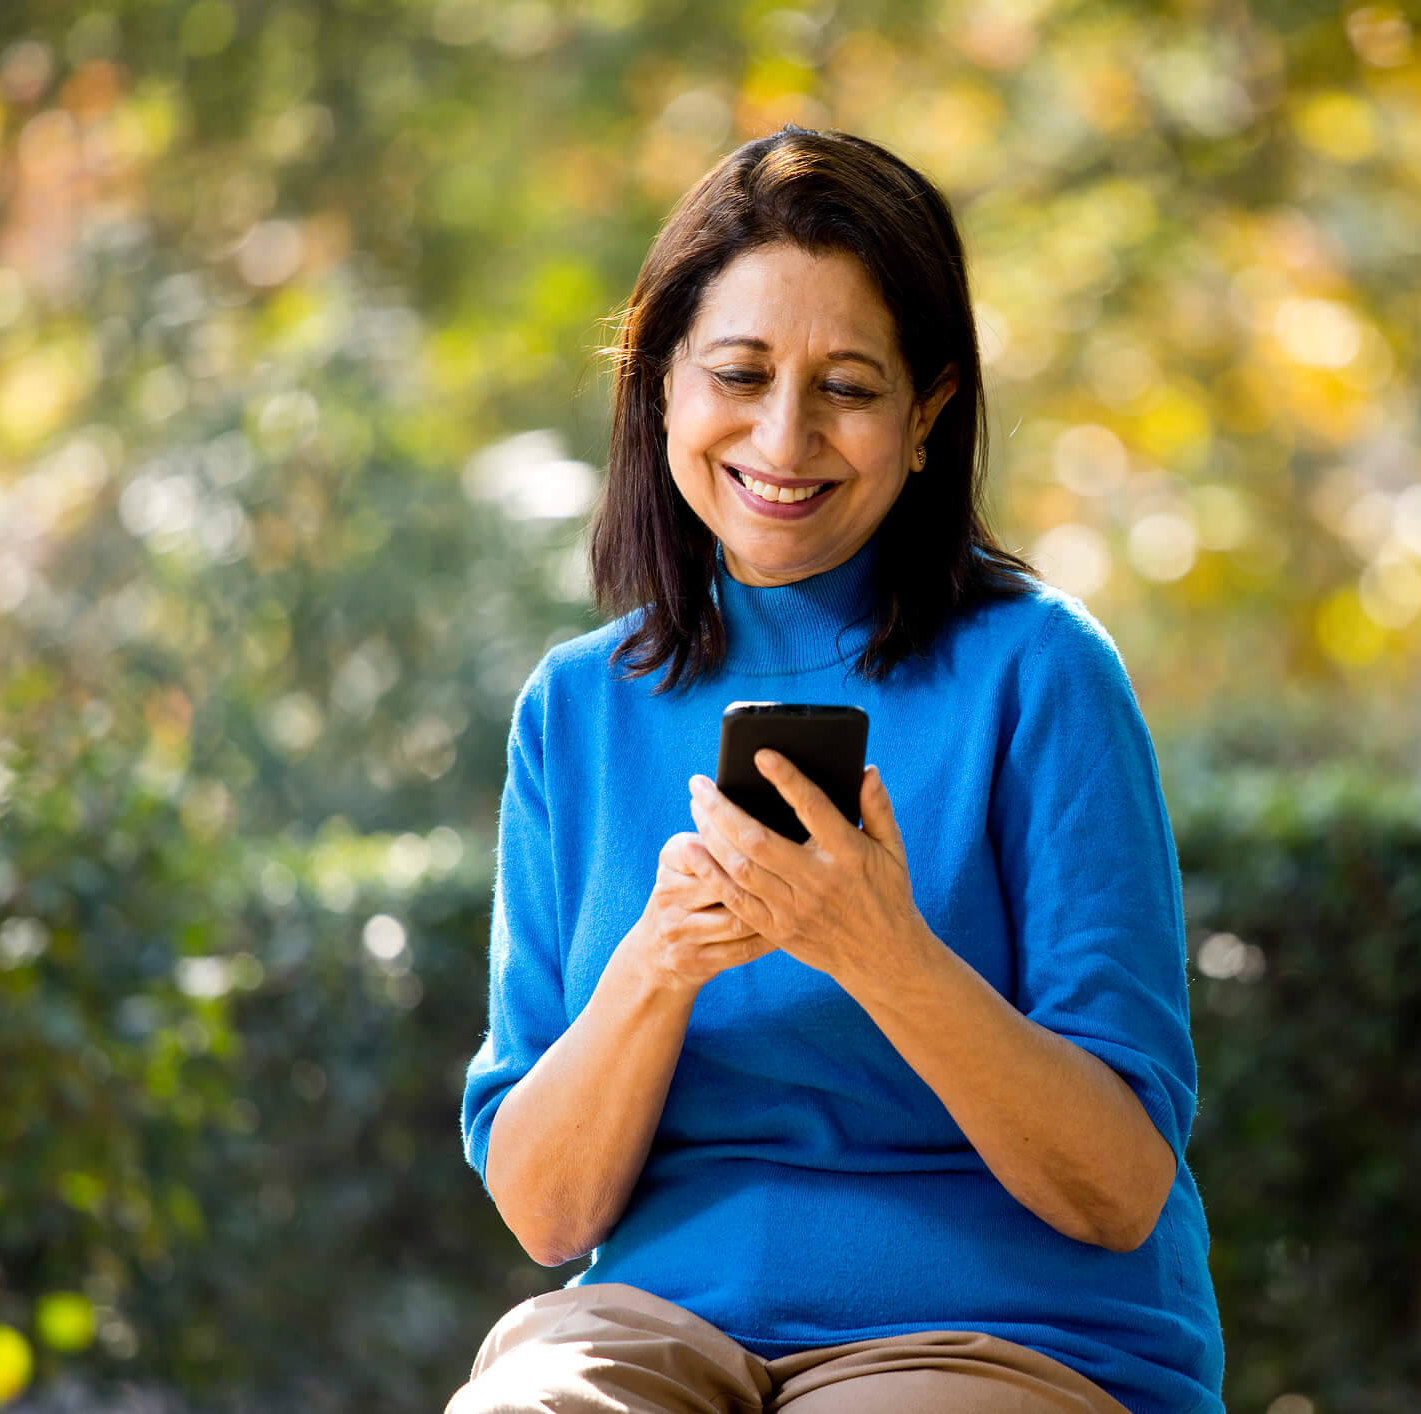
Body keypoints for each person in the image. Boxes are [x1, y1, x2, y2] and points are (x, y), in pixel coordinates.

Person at [446, 126, 1225, 1414]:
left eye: (849, 388)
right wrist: (663, 958)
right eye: (739, 374)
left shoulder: (1040, 674)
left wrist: (879, 948)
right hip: (653, 1332)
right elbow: (544, 1209)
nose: (784, 436)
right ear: (660, 385)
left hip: (996, 1339)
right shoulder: (577, 709)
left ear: (929, 413)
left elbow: (1118, 1182)